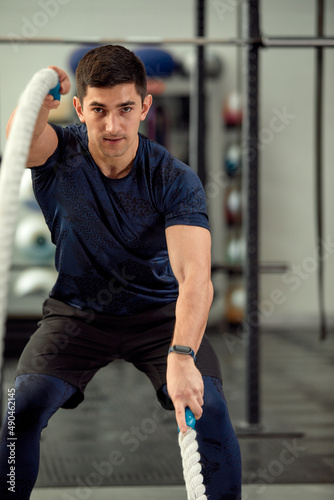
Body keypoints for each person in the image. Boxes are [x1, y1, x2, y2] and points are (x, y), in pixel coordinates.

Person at [0, 45, 241, 499]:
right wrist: (41, 93)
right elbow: (20, 141)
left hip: (159, 318)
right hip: (76, 316)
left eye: (126, 109)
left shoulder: (173, 178)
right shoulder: (59, 153)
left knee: (209, 410)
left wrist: (183, 352)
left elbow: (195, 277)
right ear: (79, 108)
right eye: (98, 110)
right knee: (21, 408)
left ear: (145, 106)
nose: (112, 125)